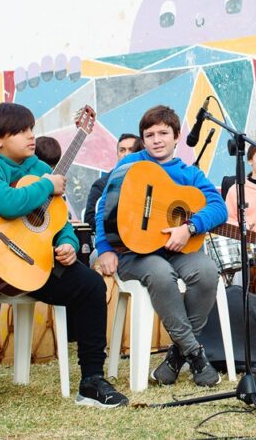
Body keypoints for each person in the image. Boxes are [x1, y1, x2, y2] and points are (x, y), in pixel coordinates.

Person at [0, 102, 127, 421]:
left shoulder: (37, 168)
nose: (31, 136)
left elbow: (58, 221)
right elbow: (7, 203)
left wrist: (69, 245)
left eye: (31, 128)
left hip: (33, 261)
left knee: (88, 284)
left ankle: (91, 380)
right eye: (20, 131)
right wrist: (48, 185)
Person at [94, 105, 226, 387]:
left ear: (176, 136)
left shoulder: (188, 174)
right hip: (134, 252)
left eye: (163, 133)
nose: (156, 139)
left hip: (177, 249)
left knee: (207, 272)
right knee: (160, 274)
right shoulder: (130, 166)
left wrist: (188, 228)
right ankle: (194, 353)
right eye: (149, 134)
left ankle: (176, 356)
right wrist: (104, 247)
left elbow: (219, 207)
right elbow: (104, 207)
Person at [84, 133, 141, 233]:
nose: (126, 154)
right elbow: (89, 219)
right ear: (117, 153)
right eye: (122, 150)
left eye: (131, 150)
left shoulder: (150, 179)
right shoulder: (101, 184)